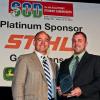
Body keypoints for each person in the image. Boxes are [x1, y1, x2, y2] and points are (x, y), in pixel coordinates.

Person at [12, 31, 58, 100]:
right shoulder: (24, 59)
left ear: (49, 44)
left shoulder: (53, 64)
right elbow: (18, 85)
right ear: (34, 42)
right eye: (40, 40)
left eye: (46, 40)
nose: (43, 43)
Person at [57, 32, 100, 100]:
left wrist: (82, 90)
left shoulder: (96, 60)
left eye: (79, 40)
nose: (76, 43)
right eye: (74, 41)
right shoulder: (64, 63)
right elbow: (60, 83)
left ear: (86, 43)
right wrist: (60, 91)